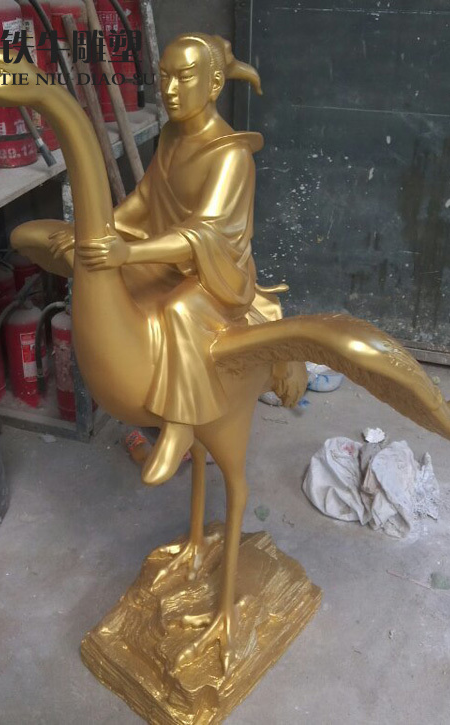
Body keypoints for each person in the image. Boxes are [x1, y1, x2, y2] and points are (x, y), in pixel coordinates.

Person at [69, 33, 305, 483]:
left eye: (184, 77)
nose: (171, 90)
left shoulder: (231, 155)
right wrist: (101, 231)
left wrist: (128, 251)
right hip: (168, 259)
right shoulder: (172, 137)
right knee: (110, 285)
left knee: (179, 308)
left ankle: (179, 422)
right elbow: (144, 201)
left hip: (218, 276)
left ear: (213, 83)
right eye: (164, 78)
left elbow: (203, 234)